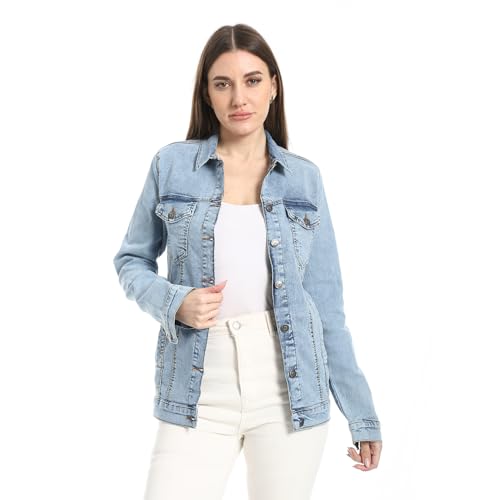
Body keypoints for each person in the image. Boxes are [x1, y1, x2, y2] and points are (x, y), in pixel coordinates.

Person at [113, 23, 383, 500]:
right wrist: (174, 302)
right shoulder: (171, 166)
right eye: (223, 84)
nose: (239, 97)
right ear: (207, 94)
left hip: (288, 388)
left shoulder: (304, 179)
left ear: (273, 86)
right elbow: (131, 260)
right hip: (198, 384)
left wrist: (360, 414)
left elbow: (326, 306)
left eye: (252, 80)